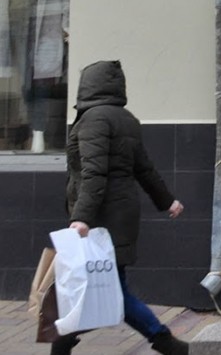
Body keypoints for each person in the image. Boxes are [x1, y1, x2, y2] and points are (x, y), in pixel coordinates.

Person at [51, 59, 189, 355]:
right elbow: (144, 169)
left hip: (101, 220)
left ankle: (164, 340)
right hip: (120, 215)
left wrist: (82, 218)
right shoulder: (126, 119)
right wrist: (167, 201)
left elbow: (94, 173)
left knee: (112, 290)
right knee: (98, 286)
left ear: (88, 86)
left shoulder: (93, 120)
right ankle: (62, 341)